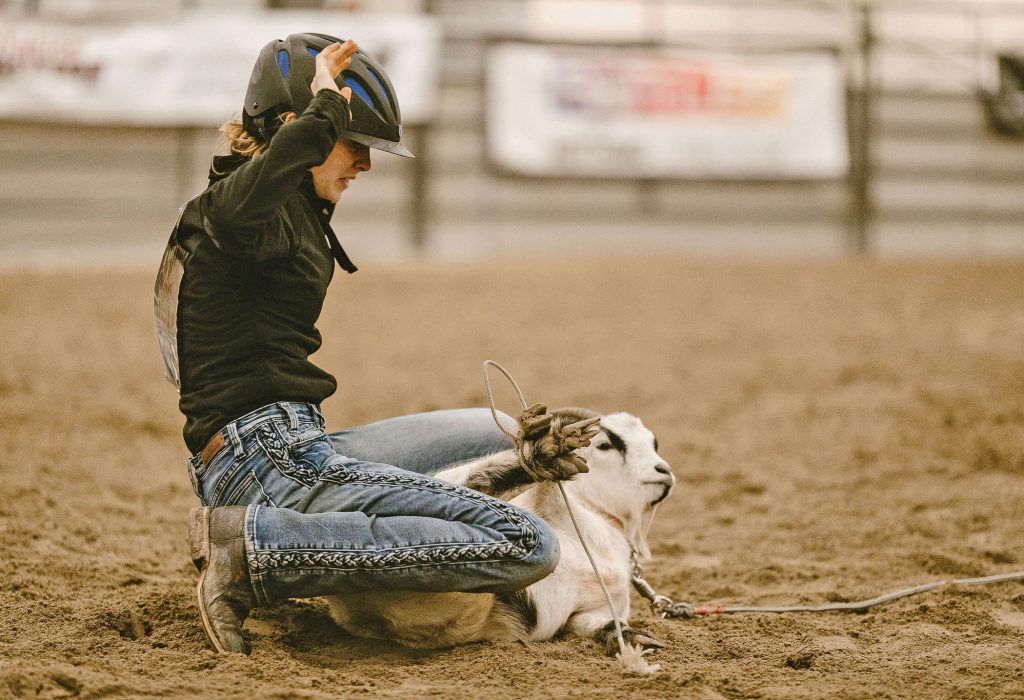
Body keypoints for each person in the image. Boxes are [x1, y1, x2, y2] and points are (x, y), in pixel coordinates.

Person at [153, 33, 581, 655]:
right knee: (529, 544)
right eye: (354, 144)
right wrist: (323, 113)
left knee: (502, 430)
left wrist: (524, 453)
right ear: (298, 129)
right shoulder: (236, 210)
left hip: (288, 442)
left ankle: (505, 461)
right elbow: (252, 191)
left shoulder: (274, 215)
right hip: (263, 460)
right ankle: (250, 552)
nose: (365, 164)